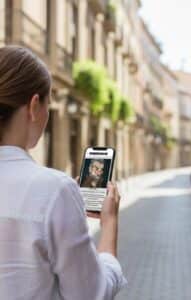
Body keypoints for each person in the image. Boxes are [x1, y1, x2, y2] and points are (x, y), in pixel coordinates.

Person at [0, 45, 126, 299]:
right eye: (49, 102)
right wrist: (109, 224)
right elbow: (91, 294)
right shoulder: (54, 190)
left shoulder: (57, 191)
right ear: (34, 106)